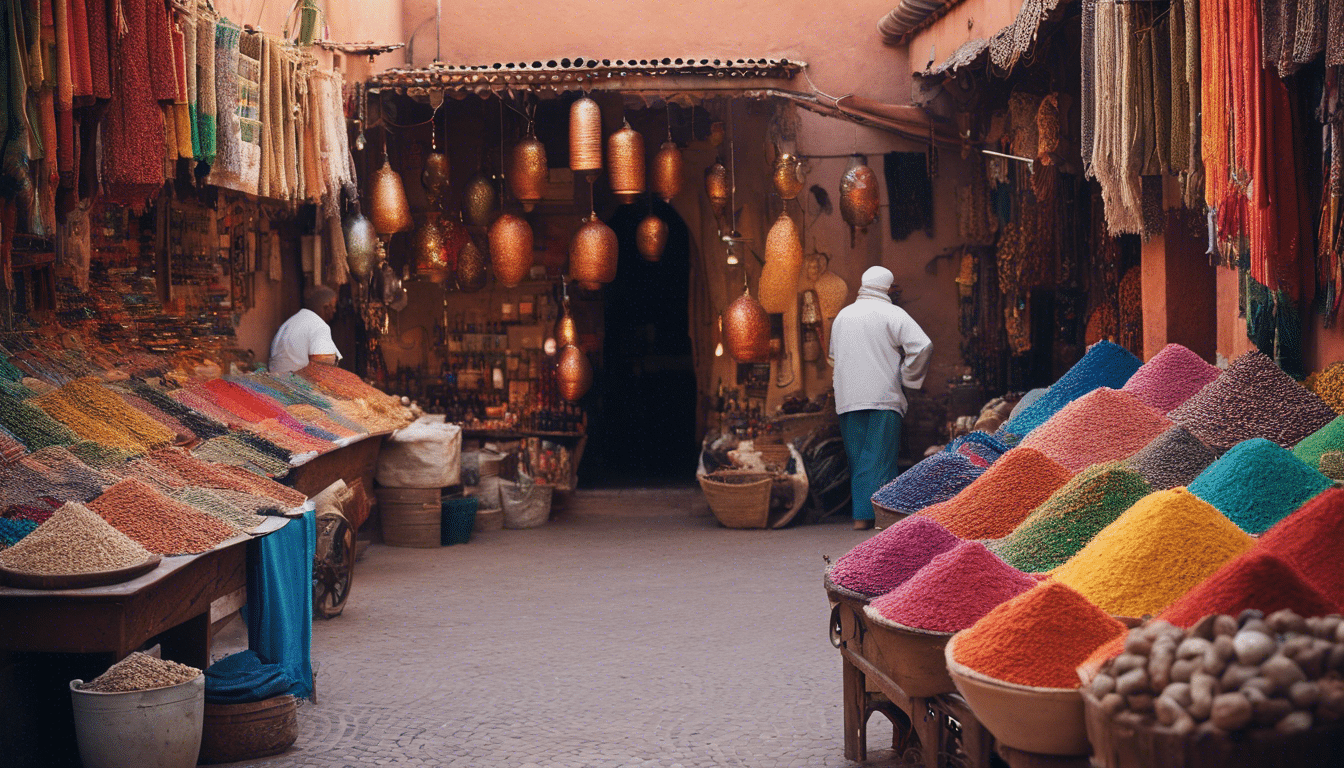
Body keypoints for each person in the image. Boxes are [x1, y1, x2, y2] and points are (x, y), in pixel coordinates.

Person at [829, 266, 933, 530]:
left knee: (859, 458)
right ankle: (880, 519)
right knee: (880, 459)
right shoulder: (892, 313)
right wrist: (907, 376)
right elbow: (922, 345)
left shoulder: (842, 316)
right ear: (887, 287)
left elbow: (833, 358)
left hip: (848, 399)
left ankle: (862, 518)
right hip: (882, 397)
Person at [269, 285, 343, 374]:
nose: (335, 311)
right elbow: (321, 369)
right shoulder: (319, 326)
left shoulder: (288, 323)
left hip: (277, 380)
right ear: (326, 307)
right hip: (295, 383)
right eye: (334, 307)